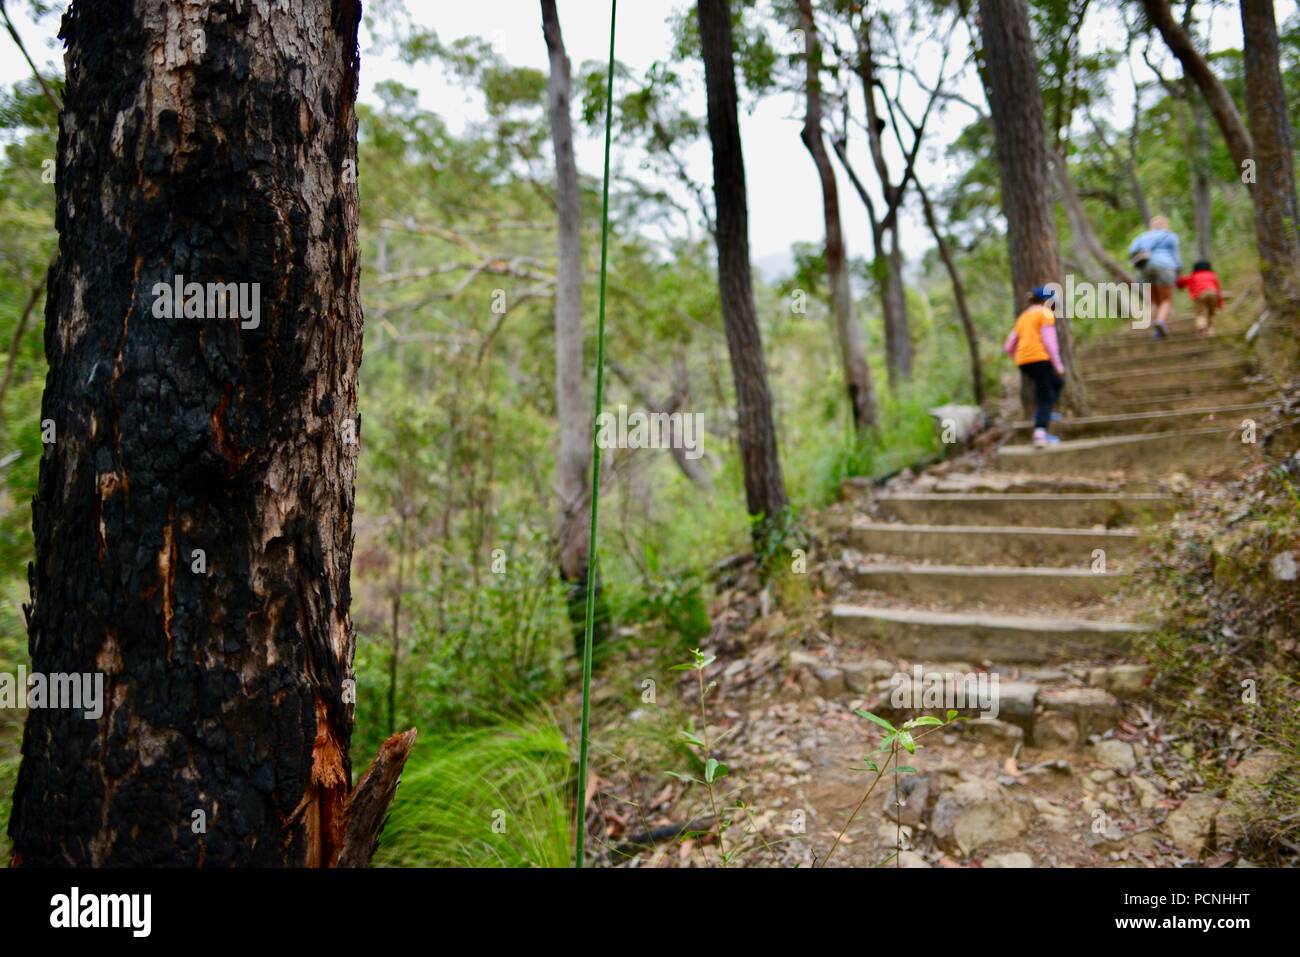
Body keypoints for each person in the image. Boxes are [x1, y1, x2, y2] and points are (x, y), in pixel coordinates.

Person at [1004, 285, 1065, 448]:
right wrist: (1058, 366)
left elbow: (1009, 345)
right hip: (1040, 359)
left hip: (1024, 362)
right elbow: (1050, 343)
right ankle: (1040, 434)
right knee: (1044, 396)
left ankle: (1046, 414)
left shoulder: (1023, 317)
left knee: (1055, 384)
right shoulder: (1045, 313)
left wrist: (1020, 357)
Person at [1127, 215, 1181, 338]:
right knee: (1166, 300)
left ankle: (1154, 329)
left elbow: (1132, 252)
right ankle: (1160, 322)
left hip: (1145, 268)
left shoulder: (1142, 237)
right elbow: (1176, 257)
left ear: (1151, 226)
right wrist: (1178, 272)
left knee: (1154, 301)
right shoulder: (1170, 236)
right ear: (1166, 225)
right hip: (1165, 266)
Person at [1176, 260, 1225, 336]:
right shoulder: (1212, 275)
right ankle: (1210, 330)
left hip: (1200, 294)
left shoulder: (1193, 275)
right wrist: (1220, 303)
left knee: (1200, 313)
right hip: (1213, 293)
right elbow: (1218, 289)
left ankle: (1201, 327)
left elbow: (1181, 282)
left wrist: (1178, 276)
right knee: (1211, 313)